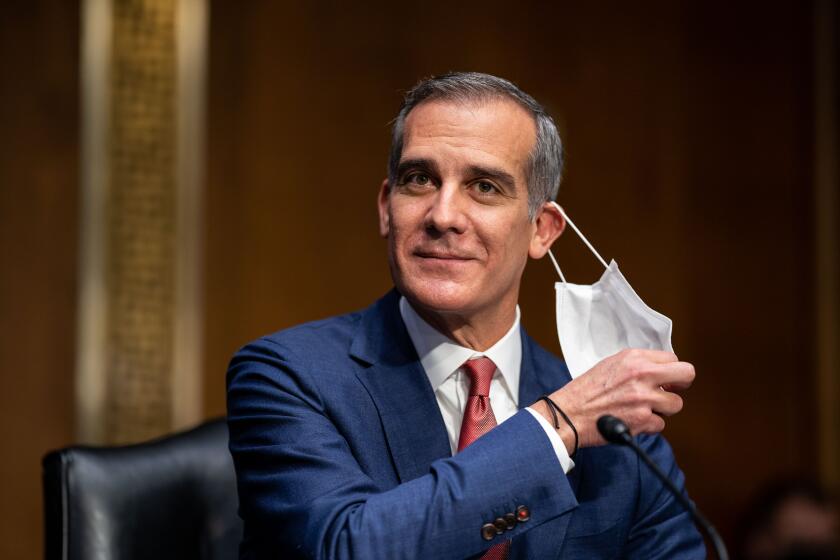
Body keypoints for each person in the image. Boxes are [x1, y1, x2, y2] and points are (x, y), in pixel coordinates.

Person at [227, 72, 704, 559]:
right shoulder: (286, 375)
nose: (443, 215)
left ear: (542, 230)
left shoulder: (617, 427)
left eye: (484, 187)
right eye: (419, 180)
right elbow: (342, 547)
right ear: (387, 209)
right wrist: (555, 426)